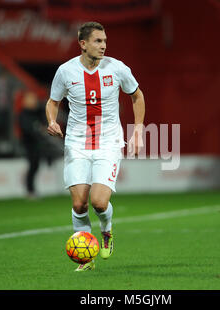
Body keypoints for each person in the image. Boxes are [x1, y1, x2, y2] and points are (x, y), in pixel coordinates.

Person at [46, 22, 145, 272]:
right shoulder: (66, 71)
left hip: (108, 142)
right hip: (77, 143)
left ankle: (106, 231)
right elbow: (52, 102)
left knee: (99, 203)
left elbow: (137, 96)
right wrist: (51, 121)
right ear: (83, 44)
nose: (103, 45)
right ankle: (86, 258)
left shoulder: (118, 68)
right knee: (79, 204)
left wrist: (138, 131)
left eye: (104, 41)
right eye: (98, 41)